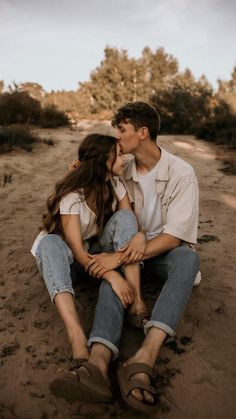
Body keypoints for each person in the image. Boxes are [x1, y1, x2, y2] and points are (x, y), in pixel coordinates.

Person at [87, 102, 200, 414]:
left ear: (142, 132)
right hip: (128, 252)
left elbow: (174, 236)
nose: (117, 138)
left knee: (188, 260)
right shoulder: (121, 166)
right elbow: (90, 176)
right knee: (116, 267)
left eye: (121, 131)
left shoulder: (181, 173)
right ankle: (98, 358)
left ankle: (144, 356)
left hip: (159, 253)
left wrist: (119, 257)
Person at [31, 133, 148, 403]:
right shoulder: (72, 197)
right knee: (49, 243)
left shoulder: (115, 185)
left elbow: (128, 222)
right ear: (102, 161)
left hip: (96, 253)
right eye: (118, 154)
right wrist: (112, 275)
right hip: (67, 262)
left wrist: (140, 235)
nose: (124, 158)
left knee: (125, 216)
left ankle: (137, 301)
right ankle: (77, 340)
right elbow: (78, 252)